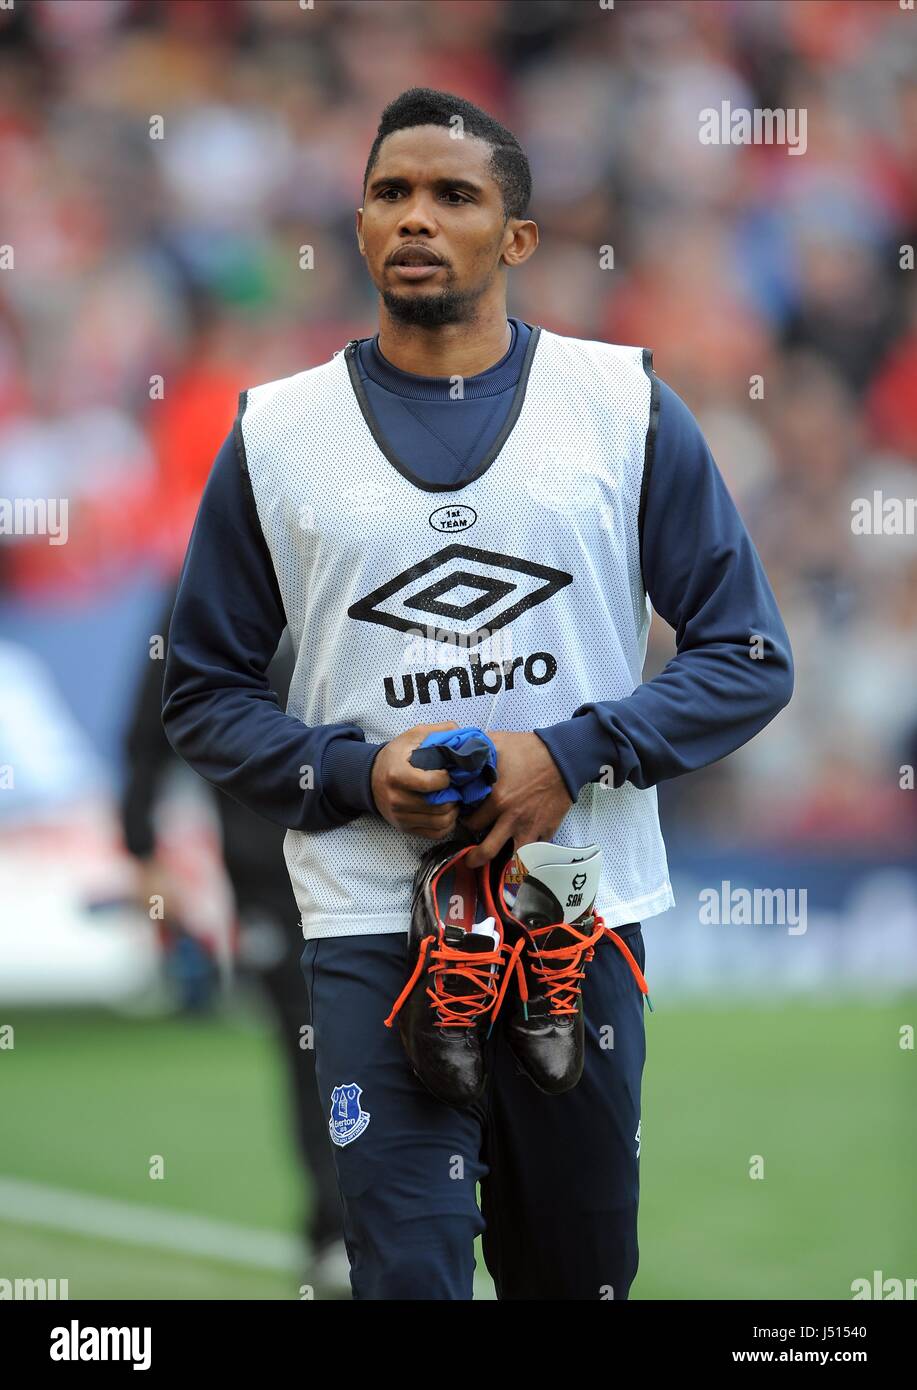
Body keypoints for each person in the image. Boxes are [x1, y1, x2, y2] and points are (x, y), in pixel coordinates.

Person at [162, 88, 793, 1300]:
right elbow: (201, 691)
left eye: (454, 195)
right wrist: (351, 774)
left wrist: (569, 753)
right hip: (367, 931)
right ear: (355, 227)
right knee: (408, 1278)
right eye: (391, 193)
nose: (416, 217)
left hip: (579, 920)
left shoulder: (621, 405)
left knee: (577, 1275)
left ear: (515, 238)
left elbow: (745, 657)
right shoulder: (273, 435)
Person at [123, 585, 347, 1291]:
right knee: (315, 1045)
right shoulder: (205, 580)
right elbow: (150, 723)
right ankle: (335, 1231)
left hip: (380, 854)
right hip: (268, 875)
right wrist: (141, 847)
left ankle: (409, 1221)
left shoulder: (359, 539)